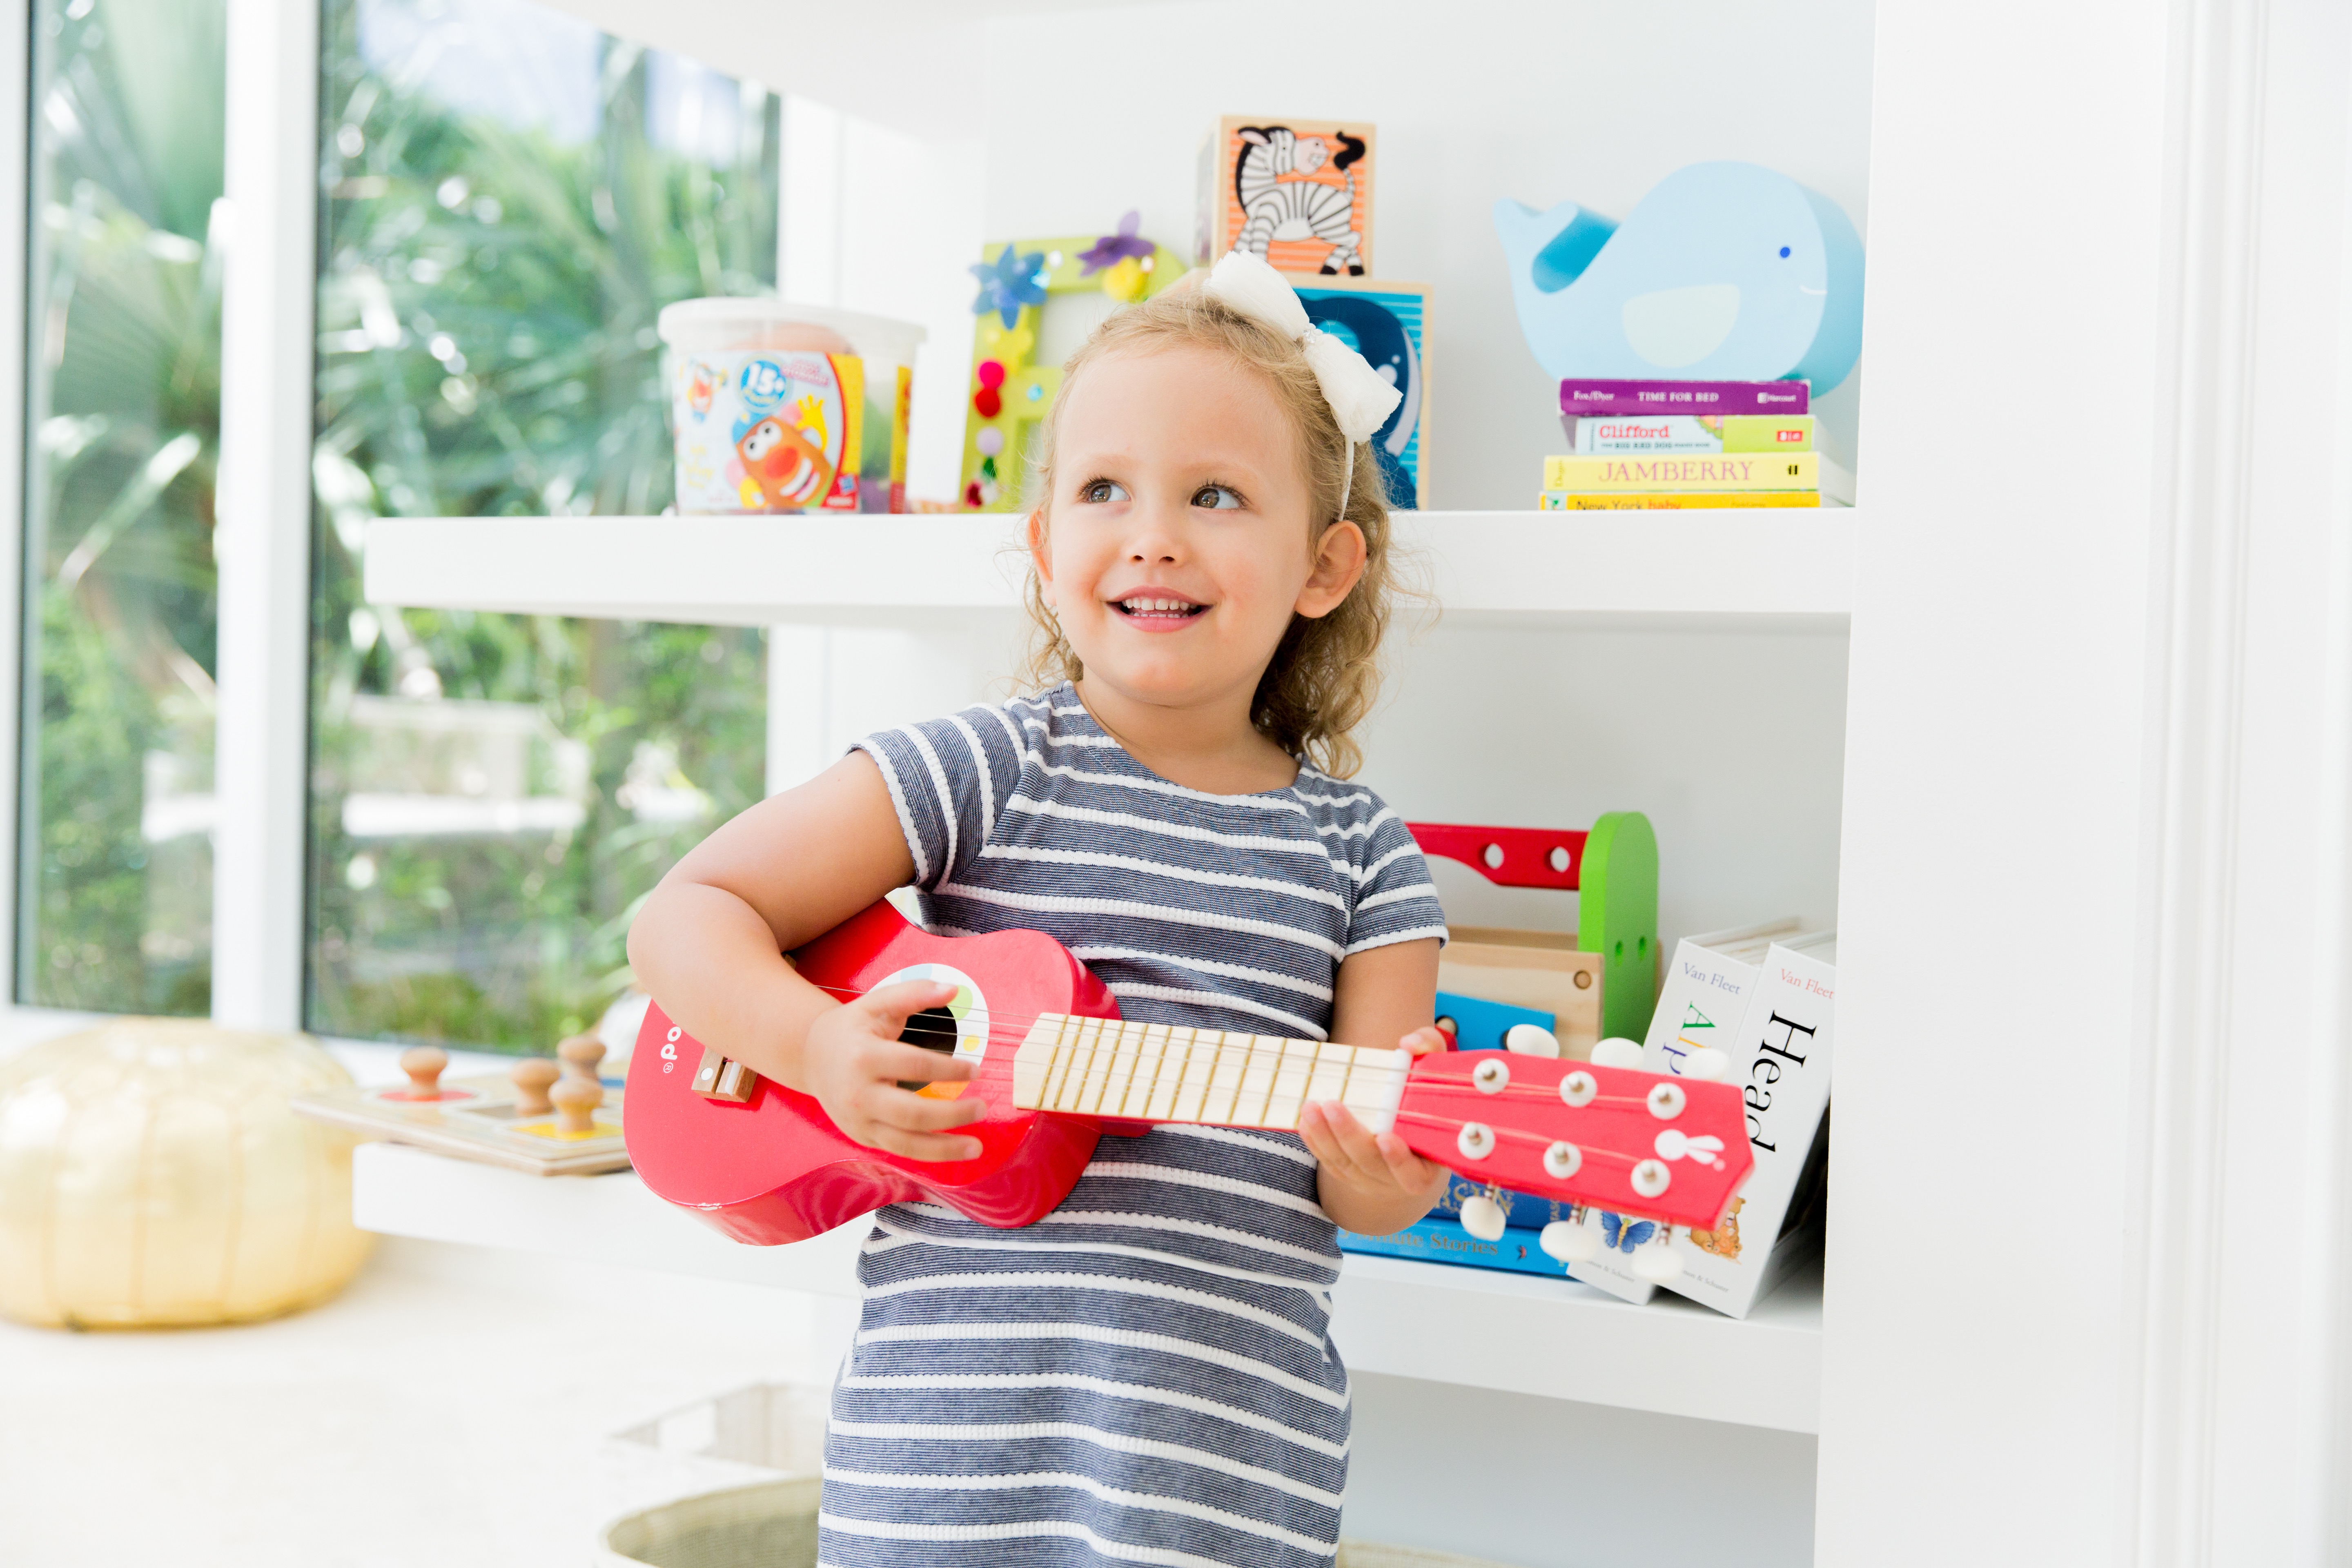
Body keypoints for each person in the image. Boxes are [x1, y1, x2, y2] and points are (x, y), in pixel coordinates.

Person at [628, 249, 1451, 1568]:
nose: (1155, 533)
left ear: (1324, 563)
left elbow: (1371, 1192)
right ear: (1045, 544)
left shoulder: (1366, 859)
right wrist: (821, 1050)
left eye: (1218, 495)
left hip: (1223, 1476)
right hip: (940, 1463)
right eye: (1103, 489)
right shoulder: (991, 769)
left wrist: (1391, 1172)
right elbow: (685, 915)